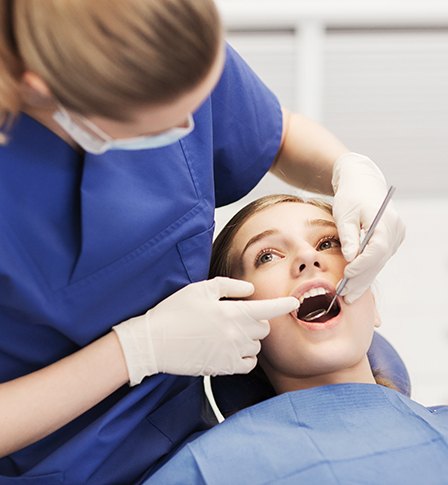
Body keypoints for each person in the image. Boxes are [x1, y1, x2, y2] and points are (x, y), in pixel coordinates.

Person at [0, 1, 405, 483]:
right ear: (40, 90)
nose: (190, 130)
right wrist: (136, 351)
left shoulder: (159, 31)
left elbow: (275, 136)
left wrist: (348, 168)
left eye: (328, 243)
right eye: (267, 254)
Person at [147, 194, 448, 484]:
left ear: (374, 305)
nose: (308, 258)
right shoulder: (204, 470)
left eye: (328, 243)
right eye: (267, 256)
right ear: (235, 324)